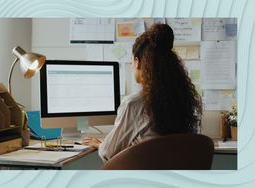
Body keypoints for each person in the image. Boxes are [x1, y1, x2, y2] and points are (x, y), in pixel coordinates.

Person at [82, 23, 202, 163]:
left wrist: (101, 145)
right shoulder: (184, 100)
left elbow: (108, 153)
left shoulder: (133, 104)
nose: (132, 66)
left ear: (137, 62)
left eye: (132, 61)